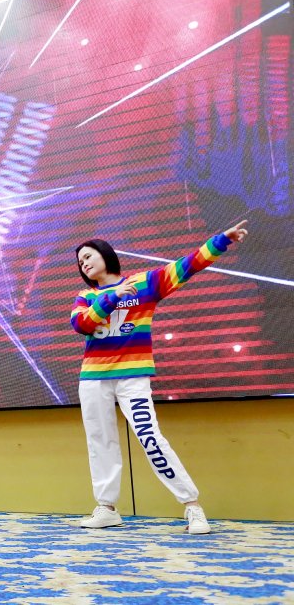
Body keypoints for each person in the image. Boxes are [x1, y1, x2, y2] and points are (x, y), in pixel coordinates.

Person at [70, 220, 250, 534]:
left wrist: (222, 240)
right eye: (80, 261)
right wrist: (111, 298)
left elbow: (187, 266)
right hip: (94, 379)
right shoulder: (85, 296)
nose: (84, 263)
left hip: (133, 377)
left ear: (105, 254)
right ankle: (106, 508)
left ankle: (192, 506)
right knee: (100, 441)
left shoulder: (145, 283)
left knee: (150, 437)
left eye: (88, 256)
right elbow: (81, 324)